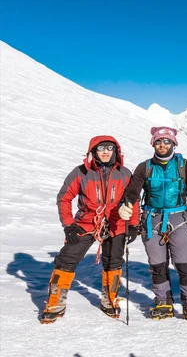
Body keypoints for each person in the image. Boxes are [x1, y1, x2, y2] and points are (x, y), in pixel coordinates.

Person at [118, 126, 187, 325]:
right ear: (153, 143)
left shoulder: (184, 166)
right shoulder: (144, 167)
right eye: (159, 141)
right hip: (151, 219)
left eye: (167, 141)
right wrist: (126, 204)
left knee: (185, 264)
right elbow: (133, 191)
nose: (162, 145)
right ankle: (163, 302)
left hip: (178, 218)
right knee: (158, 265)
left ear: (174, 144)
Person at [41, 136, 140, 324]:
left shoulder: (125, 173)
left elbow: (132, 200)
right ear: (93, 151)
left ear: (116, 151)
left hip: (116, 223)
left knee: (114, 261)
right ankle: (55, 303)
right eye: (100, 148)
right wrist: (69, 225)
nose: (105, 152)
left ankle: (109, 300)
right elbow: (64, 197)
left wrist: (133, 224)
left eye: (109, 148)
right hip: (86, 224)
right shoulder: (80, 172)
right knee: (66, 260)